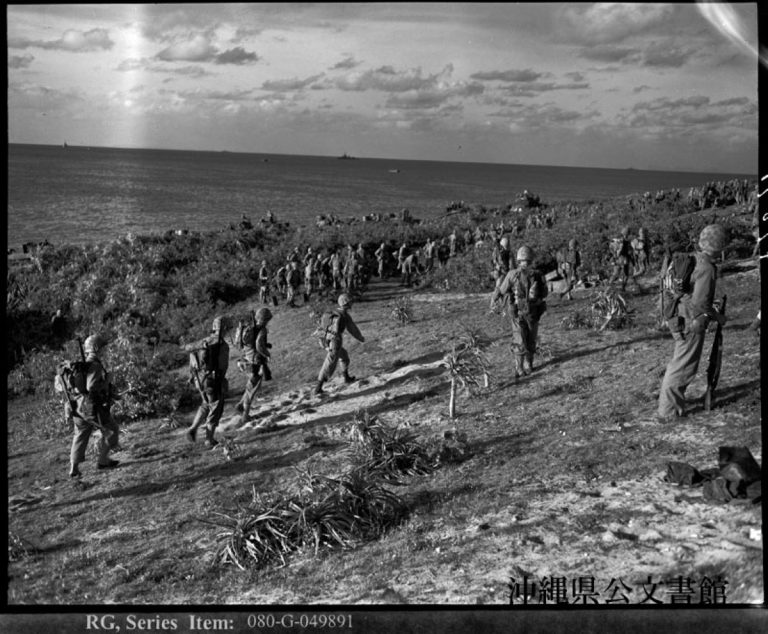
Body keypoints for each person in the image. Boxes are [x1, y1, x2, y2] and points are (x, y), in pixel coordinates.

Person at [657, 224, 728, 422]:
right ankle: (668, 412)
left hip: (678, 317)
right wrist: (718, 316)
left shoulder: (692, 259)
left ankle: (670, 406)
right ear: (720, 248)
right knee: (682, 367)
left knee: (679, 363)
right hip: (691, 322)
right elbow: (700, 303)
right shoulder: (706, 267)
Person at [491, 246, 548, 380]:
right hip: (526, 313)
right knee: (526, 339)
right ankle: (525, 366)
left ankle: (523, 367)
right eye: (526, 260)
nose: (525, 263)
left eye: (525, 261)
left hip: (525, 313)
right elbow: (545, 293)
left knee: (524, 339)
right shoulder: (534, 274)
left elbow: (502, 290)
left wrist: (494, 299)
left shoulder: (517, 274)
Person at [69, 334, 121, 478]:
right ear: (97, 348)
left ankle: (74, 468)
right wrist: (107, 381)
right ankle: (103, 461)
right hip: (93, 408)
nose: (105, 350)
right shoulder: (96, 365)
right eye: (103, 347)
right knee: (112, 430)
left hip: (78, 407)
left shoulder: (81, 365)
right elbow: (92, 387)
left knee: (79, 436)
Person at [186, 316, 230, 447]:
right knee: (216, 408)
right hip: (213, 381)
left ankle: (192, 429)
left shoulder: (204, 341)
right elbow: (222, 366)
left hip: (199, 379)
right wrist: (222, 382)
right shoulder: (222, 345)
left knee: (205, 404)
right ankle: (209, 440)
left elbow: (190, 351)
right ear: (226, 328)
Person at [315, 293, 365, 395]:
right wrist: (361, 338)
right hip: (335, 341)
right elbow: (353, 329)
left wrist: (322, 342)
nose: (352, 303)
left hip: (328, 340)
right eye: (350, 301)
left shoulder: (333, 312)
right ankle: (318, 387)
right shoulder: (344, 315)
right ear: (347, 303)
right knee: (329, 363)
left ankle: (346, 377)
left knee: (345, 357)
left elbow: (321, 327)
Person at [235, 307, 272, 424]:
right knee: (253, 388)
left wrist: (266, 345)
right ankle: (245, 416)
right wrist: (267, 354)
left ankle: (240, 405)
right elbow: (258, 345)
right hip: (255, 361)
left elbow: (250, 344)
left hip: (245, 359)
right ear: (265, 319)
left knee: (251, 384)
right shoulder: (262, 329)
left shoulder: (248, 328)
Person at [608, 226, 640, 293]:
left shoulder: (616, 240)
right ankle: (622, 288)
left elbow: (612, 251)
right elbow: (630, 253)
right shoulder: (625, 242)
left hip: (617, 259)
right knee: (625, 274)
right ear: (627, 233)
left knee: (616, 274)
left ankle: (609, 287)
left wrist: (614, 258)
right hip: (624, 259)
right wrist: (634, 263)